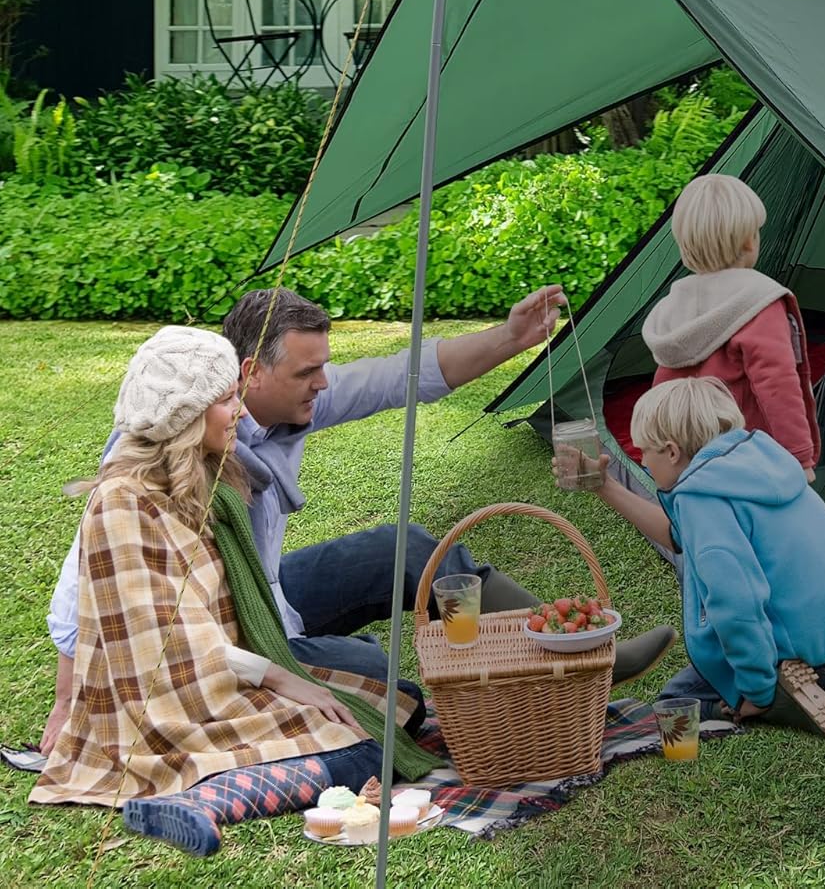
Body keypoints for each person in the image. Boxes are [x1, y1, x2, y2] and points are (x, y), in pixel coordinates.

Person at [42, 286, 676, 753]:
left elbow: (400, 376)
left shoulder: (292, 400)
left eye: (323, 366)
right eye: (307, 371)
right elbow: (87, 573)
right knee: (388, 689)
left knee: (404, 549)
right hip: (230, 636)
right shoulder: (172, 437)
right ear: (250, 373)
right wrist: (70, 696)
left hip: (268, 595)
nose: (324, 383)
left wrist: (512, 338)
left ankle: (575, 652)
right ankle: (456, 690)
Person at [32, 326, 442, 858]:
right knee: (364, 743)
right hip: (168, 704)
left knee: (396, 706)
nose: (242, 413)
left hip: (223, 670)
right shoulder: (123, 503)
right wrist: (287, 680)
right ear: (185, 414)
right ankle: (203, 803)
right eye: (228, 400)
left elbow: (216, 623)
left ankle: (212, 790)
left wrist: (291, 679)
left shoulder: (200, 481)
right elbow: (172, 648)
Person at [563, 377, 825, 742]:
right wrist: (605, 486)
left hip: (801, 657)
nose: (644, 462)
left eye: (645, 451)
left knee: (676, 701)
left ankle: (791, 697)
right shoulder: (757, 461)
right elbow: (676, 536)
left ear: (672, 452)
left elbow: (736, 605)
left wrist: (756, 690)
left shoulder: (701, 500)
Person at [642, 174, 820, 478]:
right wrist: (798, 458)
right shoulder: (759, 301)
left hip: (687, 462)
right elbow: (778, 385)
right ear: (750, 241)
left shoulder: (673, 307)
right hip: (746, 457)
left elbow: (663, 391)